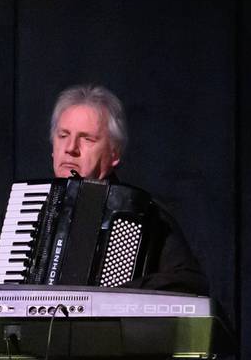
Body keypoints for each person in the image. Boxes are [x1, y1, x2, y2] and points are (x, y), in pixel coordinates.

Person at [38, 84, 208, 295]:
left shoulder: (145, 213)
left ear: (114, 154)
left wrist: (116, 295)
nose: (71, 148)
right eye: (63, 136)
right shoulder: (26, 211)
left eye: (87, 139)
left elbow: (190, 281)